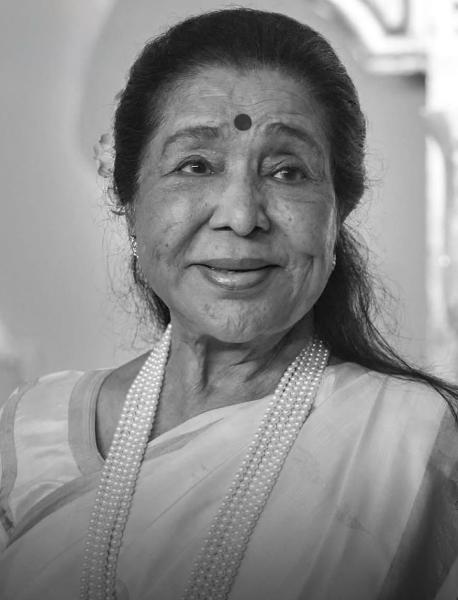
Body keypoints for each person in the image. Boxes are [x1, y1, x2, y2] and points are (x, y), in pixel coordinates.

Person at [0, 7, 457, 600]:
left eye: (287, 172)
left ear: (338, 209)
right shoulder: (29, 433)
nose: (241, 217)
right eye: (196, 165)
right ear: (129, 199)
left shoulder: (420, 445)